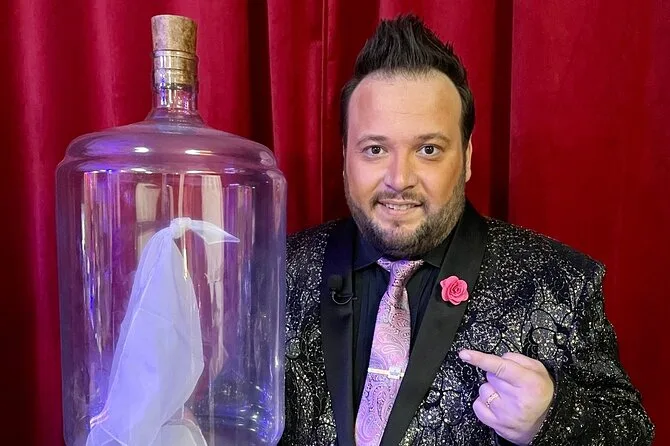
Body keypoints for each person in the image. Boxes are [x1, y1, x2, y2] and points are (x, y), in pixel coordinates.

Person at [280, 14, 654, 446]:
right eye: (375, 149)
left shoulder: (560, 283)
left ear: (467, 157)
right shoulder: (280, 270)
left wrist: (551, 420)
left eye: (428, 149)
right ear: (346, 158)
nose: (399, 179)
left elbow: (632, 431)